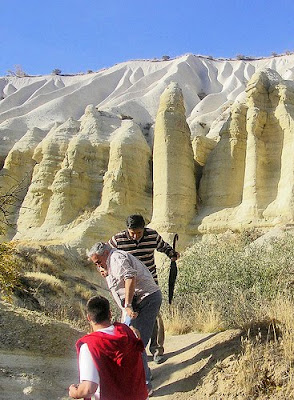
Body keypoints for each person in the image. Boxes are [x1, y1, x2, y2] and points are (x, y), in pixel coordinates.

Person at [87, 242, 162, 395]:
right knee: (128, 340)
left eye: (98, 262)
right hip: (137, 302)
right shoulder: (110, 262)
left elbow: (130, 277)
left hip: (144, 300)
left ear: (105, 254)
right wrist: (106, 270)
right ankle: (144, 375)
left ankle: (145, 385)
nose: (98, 266)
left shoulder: (116, 258)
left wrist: (128, 305)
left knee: (134, 343)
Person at [109, 214, 179, 364]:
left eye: (138, 233)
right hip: (128, 286)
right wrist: (103, 268)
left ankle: (157, 350)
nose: (135, 236)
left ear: (144, 229)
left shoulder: (152, 235)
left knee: (154, 316)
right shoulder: (118, 239)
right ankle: (132, 351)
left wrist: (172, 254)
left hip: (150, 284)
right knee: (129, 317)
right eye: (132, 233)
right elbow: (107, 254)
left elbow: (164, 246)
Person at [68, 295, 148, 400]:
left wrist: (75, 392)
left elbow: (88, 389)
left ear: (88, 317)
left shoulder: (89, 346)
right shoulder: (128, 332)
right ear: (110, 314)